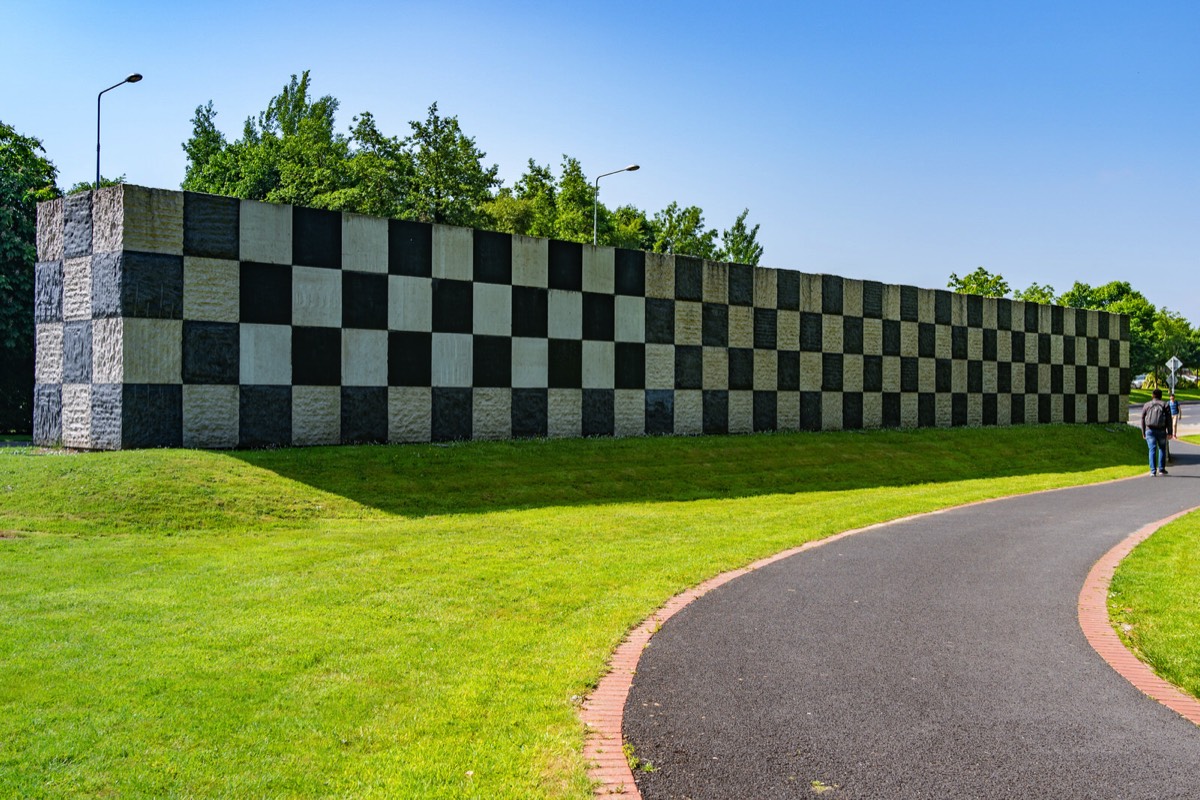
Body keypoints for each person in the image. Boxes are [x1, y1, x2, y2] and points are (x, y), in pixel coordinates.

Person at [1141, 388, 1173, 476]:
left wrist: (1143, 432)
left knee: (1152, 449)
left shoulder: (1147, 405)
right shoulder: (1165, 405)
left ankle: (1152, 471)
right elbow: (1169, 419)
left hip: (1149, 430)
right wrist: (1170, 432)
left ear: (1152, 395)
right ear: (1161, 396)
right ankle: (1161, 469)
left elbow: (1143, 418)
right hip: (1161, 430)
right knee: (1162, 448)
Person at [1167, 392, 1182, 465]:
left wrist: (1180, 415)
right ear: (1170, 398)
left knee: (1174, 424)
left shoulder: (1176, 402)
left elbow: (1179, 409)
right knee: (1170, 425)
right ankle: (1170, 434)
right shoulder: (1168, 403)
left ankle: (1174, 434)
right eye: (1171, 397)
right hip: (1170, 415)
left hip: (1175, 414)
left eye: (1173, 397)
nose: (1172, 398)